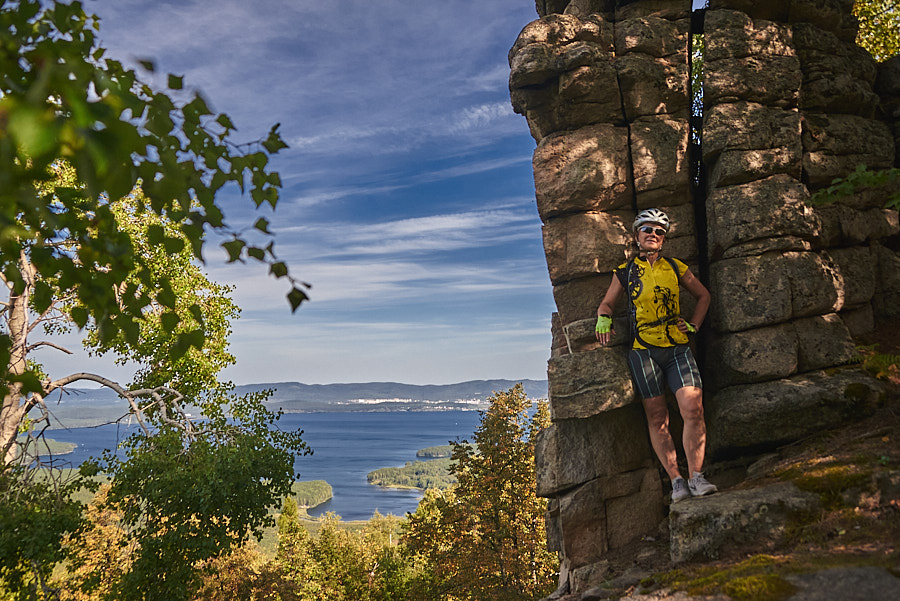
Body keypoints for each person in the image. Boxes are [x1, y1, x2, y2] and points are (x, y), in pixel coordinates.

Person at [594, 208, 716, 502]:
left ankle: (697, 477)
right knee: (657, 417)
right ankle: (677, 481)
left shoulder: (675, 267)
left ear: (663, 240)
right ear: (637, 236)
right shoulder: (625, 271)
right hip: (643, 351)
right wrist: (604, 318)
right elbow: (607, 303)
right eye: (647, 229)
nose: (653, 235)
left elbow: (704, 296)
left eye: (659, 231)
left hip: (677, 347)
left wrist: (693, 326)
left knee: (693, 410)